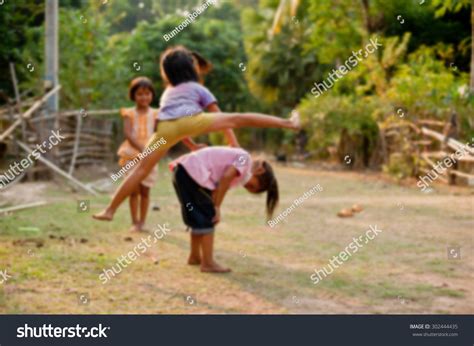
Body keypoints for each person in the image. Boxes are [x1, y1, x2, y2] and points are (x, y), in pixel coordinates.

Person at [93, 46, 299, 222]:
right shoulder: (198, 88)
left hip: (165, 128)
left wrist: (191, 146)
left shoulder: (167, 92)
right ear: (192, 69)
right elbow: (220, 117)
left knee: (140, 170)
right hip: (193, 120)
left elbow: (174, 124)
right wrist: (233, 144)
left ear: (167, 74)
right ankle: (288, 123)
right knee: (239, 117)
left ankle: (110, 210)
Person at [170, 146, 279, 273]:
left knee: (198, 216)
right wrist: (216, 207)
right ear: (259, 170)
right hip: (192, 174)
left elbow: (217, 188)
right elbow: (226, 177)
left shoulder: (239, 172)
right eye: (252, 186)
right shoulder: (245, 158)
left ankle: (194, 257)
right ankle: (208, 263)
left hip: (184, 173)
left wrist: (213, 204)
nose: (249, 188)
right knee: (208, 216)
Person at [118, 77, 159, 232]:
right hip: (132, 155)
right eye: (140, 94)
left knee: (145, 190)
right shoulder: (129, 113)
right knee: (133, 190)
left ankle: (143, 222)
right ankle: (134, 222)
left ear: (152, 95)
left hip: (150, 156)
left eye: (147, 93)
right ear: (133, 95)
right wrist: (143, 149)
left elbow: (158, 133)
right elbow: (128, 134)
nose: (144, 97)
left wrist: (153, 150)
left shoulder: (156, 114)